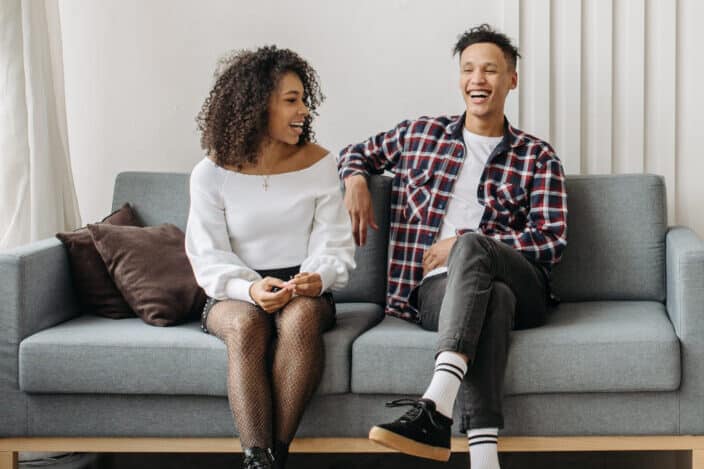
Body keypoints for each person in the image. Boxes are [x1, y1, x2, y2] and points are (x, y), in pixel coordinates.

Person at [338, 24, 568, 469]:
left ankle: (435, 403)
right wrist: (355, 180)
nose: (477, 79)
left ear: (511, 80)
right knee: (491, 298)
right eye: (468, 69)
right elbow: (355, 152)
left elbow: (551, 240)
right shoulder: (420, 135)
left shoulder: (537, 156)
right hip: (435, 293)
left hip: (526, 290)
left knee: (476, 250)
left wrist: (466, 242)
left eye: (490, 70)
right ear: (458, 78)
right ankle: (484, 457)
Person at [185, 46, 355, 469]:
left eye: (304, 99)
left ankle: (270, 459)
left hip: (303, 288)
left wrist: (318, 277)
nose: (304, 110)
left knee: (299, 319)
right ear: (259, 105)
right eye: (291, 100)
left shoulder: (320, 163)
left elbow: (334, 243)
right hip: (234, 291)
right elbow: (207, 256)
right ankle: (259, 459)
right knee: (246, 326)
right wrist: (248, 288)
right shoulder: (210, 174)